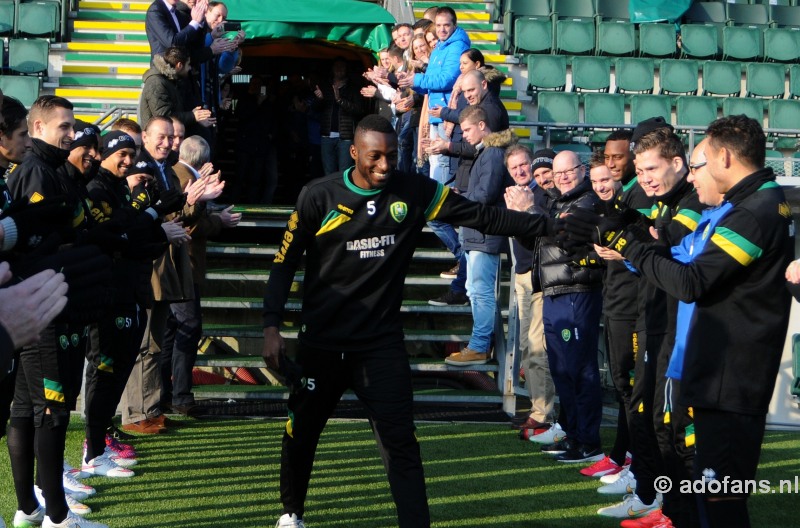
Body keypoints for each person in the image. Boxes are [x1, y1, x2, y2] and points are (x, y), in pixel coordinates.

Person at [262, 114, 558, 528]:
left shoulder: (415, 191)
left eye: (392, 155)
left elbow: (482, 217)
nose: (384, 165)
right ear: (354, 154)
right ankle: (291, 514)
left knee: (400, 443)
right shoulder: (318, 196)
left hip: (380, 346)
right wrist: (271, 325)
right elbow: (283, 264)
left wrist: (549, 226)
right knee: (301, 434)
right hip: (322, 345)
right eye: (374, 157)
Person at [578, 115, 794, 528]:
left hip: (730, 377)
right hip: (723, 372)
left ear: (725, 158)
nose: (696, 177)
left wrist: (630, 248)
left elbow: (693, 281)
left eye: (701, 164)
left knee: (719, 501)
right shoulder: (752, 203)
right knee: (710, 495)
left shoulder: (752, 211)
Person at [6, 95, 111, 528]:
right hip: (39, 312)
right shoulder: (35, 170)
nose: (71, 134)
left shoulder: (54, 170)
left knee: (33, 409)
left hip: (51, 306)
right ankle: (56, 516)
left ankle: (31, 508)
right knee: (47, 411)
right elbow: (31, 245)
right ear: (37, 128)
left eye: (72, 127)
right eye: (64, 127)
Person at [592, 122, 702, 523]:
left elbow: (665, 250)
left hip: (675, 328)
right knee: (647, 416)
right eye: (639, 172)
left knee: (667, 425)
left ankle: (672, 506)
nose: (644, 179)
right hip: (652, 318)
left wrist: (634, 242)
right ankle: (654, 497)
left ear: (678, 162)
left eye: (651, 169)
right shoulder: (663, 204)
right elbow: (652, 255)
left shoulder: (691, 202)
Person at [506, 150, 605, 464]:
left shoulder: (587, 201)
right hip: (553, 291)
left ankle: (588, 442)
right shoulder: (557, 202)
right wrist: (524, 218)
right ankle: (573, 435)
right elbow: (537, 242)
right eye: (558, 172)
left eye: (568, 170)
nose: (562, 177)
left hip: (576, 291)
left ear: (581, 170)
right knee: (563, 370)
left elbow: (564, 236)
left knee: (579, 369)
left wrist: (532, 211)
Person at [121, 116, 191, 435]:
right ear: (146, 137)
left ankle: (150, 408)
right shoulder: (141, 169)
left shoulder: (168, 170)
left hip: (164, 267)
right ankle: (136, 412)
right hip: (147, 268)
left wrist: (194, 201)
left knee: (155, 344)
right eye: (160, 137)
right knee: (143, 343)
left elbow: (174, 214)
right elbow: (138, 217)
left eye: (170, 138)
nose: (166, 143)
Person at [162, 135, 233, 415]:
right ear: (204, 159)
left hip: (182, 267)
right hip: (182, 267)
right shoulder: (181, 177)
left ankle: (170, 394)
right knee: (187, 329)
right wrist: (218, 220)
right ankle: (178, 395)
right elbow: (186, 226)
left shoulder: (176, 173)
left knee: (174, 332)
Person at [427, 67, 509, 307]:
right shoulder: (480, 110)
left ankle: (459, 289)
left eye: (471, 90)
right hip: (466, 183)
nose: (468, 95)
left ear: (484, 85)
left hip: (475, 200)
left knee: (480, 290)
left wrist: (448, 147)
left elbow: (479, 151)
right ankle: (459, 285)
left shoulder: (490, 112)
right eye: (464, 91)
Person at [443, 106, 514, 366]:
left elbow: (485, 195)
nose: (465, 136)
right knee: (475, 291)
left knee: (480, 292)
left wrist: (458, 200)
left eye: (468, 130)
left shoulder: (493, 154)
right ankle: (481, 344)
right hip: (477, 234)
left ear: (482, 126)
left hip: (485, 235)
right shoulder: (486, 153)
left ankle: (479, 346)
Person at [504, 146, 558, 438]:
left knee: (537, 348)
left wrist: (523, 211)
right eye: (515, 168)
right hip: (523, 277)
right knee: (527, 347)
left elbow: (542, 235)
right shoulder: (514, 193)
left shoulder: (542, 195)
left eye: (524, 165)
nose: (521, 172)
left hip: (540, 278)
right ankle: (539, 409)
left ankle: (543, 415)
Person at [398, 6, 470, 185]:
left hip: (446, 112)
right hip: (434, 113)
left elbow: (446, 79)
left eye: (446, 25)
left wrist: (417, 80)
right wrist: (411, 81)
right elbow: (430, 82)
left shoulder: (457, 46)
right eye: (438, 25)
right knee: (435, 161)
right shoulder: (439, 47)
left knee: (442, 161)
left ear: (454, 25)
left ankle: (442, 205)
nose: (442, 29)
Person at [139, 46, 214, 138]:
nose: (190, 68)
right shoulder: (157, 83)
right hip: (157, 139)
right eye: (188, 64)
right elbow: (163, 116)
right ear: (179, 65)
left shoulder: (171, 80)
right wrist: (192, 116)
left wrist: (194, 114)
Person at [314, 59, 366, 175]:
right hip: (327, 136)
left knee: (345, 173)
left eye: (342, 67)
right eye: (336, 67)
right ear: (332, 69)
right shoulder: (325, 86)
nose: (339, 70)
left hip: (346, 138)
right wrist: (319, 99)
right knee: (328, 173)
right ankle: (331, 194)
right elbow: (315, 109)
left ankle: (343, 194)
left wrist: (340, 100)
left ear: (346, 69)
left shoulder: (353, 88)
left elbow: (359, 110)